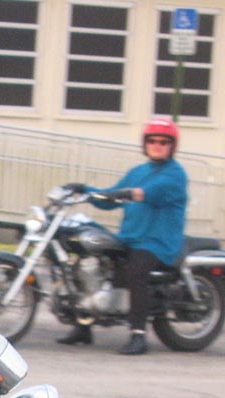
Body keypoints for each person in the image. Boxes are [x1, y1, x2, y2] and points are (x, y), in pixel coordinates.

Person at [58, 117, 187, 356]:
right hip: (129, 238)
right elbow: (109, 198)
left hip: (156, 243)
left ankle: (138, 335)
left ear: (172, 146)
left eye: (164, 142)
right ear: (145, 144)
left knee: (135, 271)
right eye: (152, 140)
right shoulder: (138, 171)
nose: (157, 145)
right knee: (90, 261)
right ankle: (83, 326)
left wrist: (128, 193)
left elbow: (149, 193)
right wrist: (85, 191)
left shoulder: (175, 174)